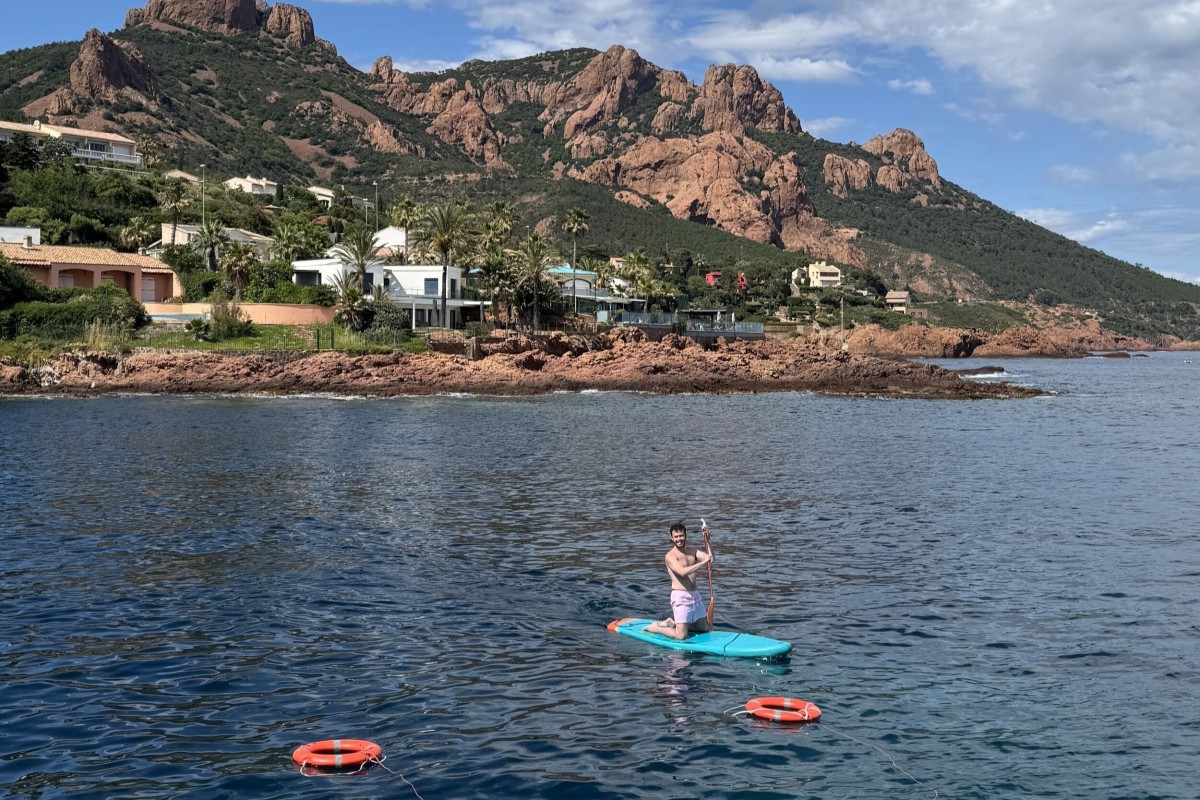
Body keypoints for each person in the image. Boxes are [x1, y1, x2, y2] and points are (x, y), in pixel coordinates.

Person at [645, 521, 713, 640]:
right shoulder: (670, 556)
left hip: (695, 596)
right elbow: (682, 572)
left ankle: (673, 623)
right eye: (676, 537)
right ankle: (655, 628)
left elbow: (711, 559)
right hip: (680, 597)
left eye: (681, 536)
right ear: (672, 538)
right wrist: (703, 562)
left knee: (705, 629)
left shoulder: (693, 551)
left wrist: (708, 540)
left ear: (685, 535)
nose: (679, 539)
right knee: (681, 636)